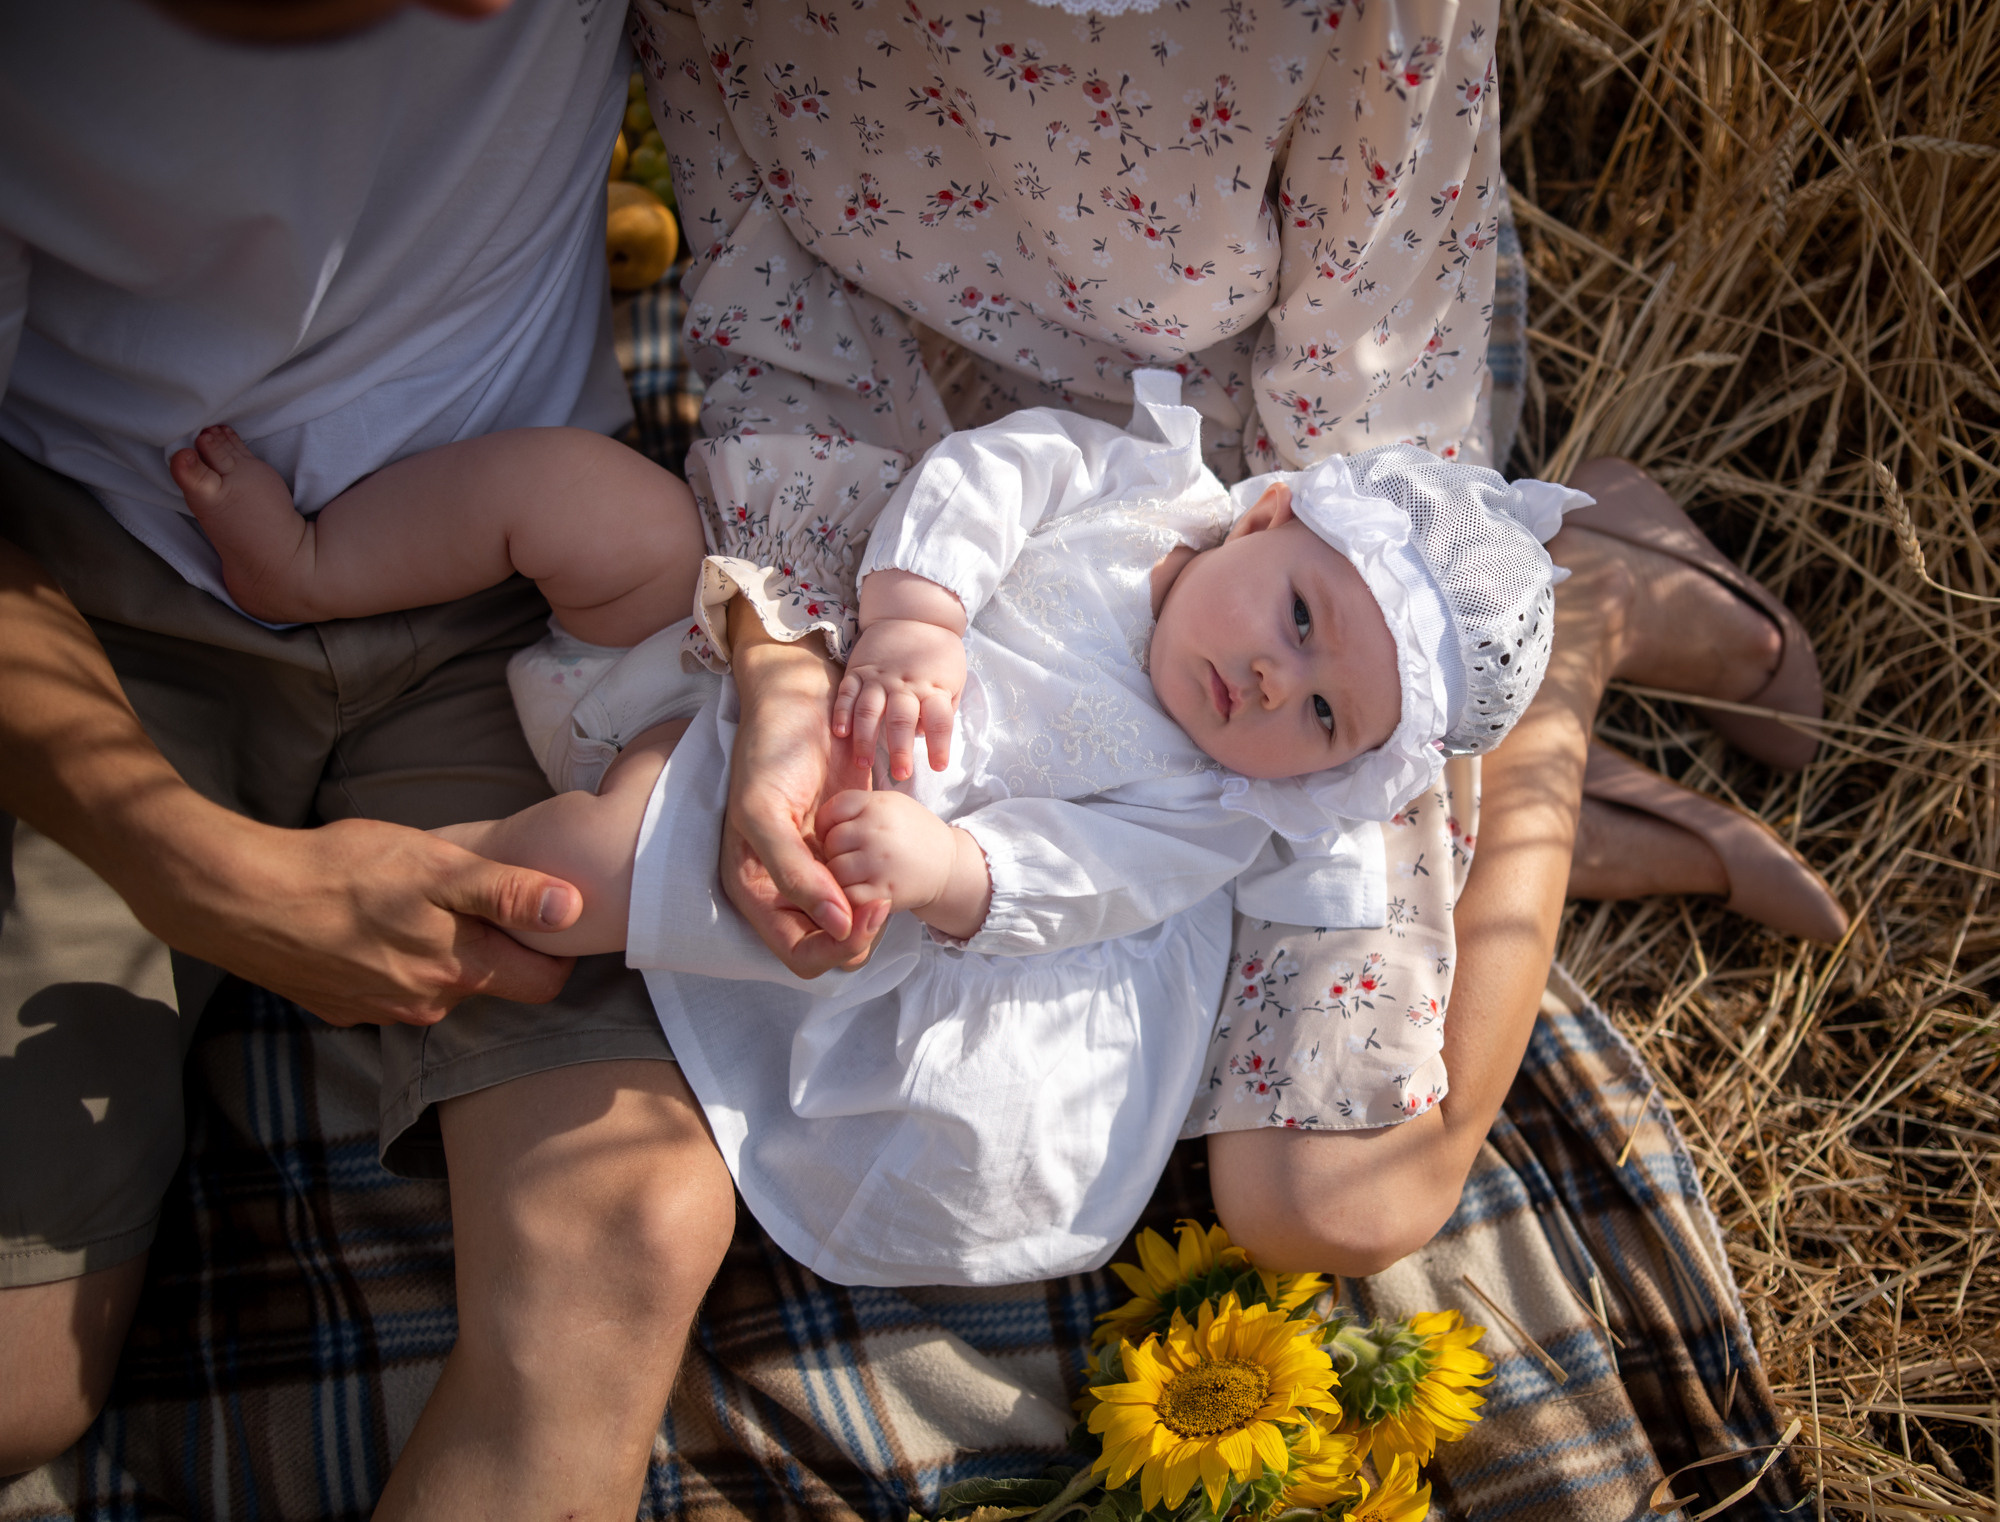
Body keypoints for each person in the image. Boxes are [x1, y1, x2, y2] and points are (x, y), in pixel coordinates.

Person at [0, 0, 1837, 1506]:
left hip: (1287, 549)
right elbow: (778, 347)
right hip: (907, 532)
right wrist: (810, 643)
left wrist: (1344, 745)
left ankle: (1562, 647)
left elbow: (1365, 428)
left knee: (1325, 1198)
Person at [169, 370, 1589, 1283]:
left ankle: (403, 903)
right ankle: (315, 562)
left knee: (585, 870)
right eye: (1298, 615)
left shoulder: (1214, 801)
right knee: (586, 502)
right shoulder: (1140, 482)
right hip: (772, 644)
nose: (1276, 678)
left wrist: (953, 868)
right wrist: (923, 614)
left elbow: (1087, 882)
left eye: (1325, 716)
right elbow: (987, 472)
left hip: (823, 826)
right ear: (1268, 512)